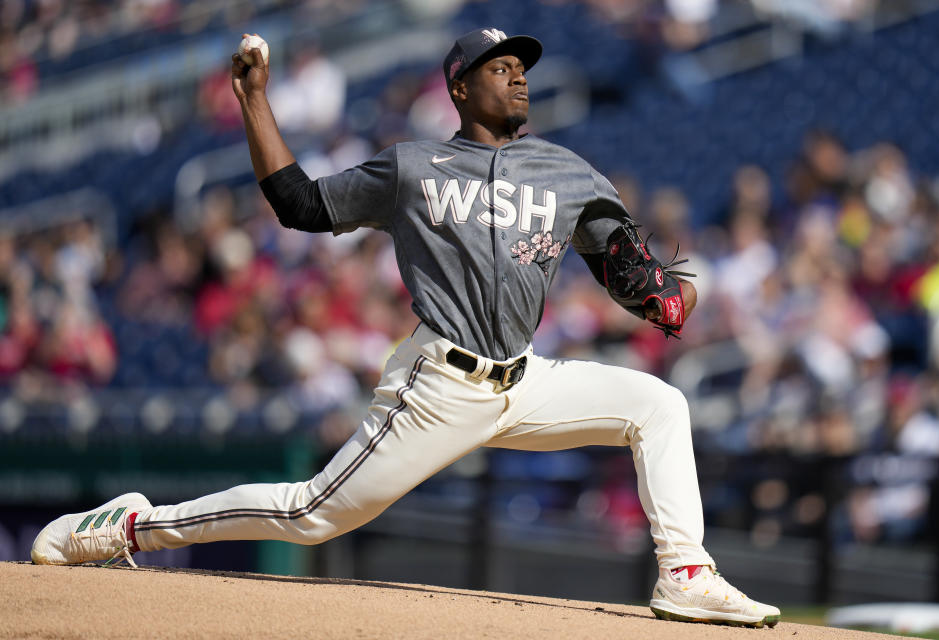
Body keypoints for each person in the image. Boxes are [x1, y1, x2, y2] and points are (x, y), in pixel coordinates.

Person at [31, 27, 780, 628]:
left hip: (526, 376)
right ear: (459, 88)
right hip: (440, 384)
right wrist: (256, 100)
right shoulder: (413, 167)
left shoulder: (569, 174)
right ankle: (132, 526)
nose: (517, 74)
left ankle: (687, 575)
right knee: (311, 515)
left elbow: (625, 264)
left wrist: (649, 287)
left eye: (522, 65)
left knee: (660, 404)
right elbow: (299, 204)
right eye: (498, 66)